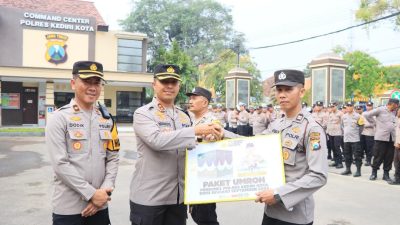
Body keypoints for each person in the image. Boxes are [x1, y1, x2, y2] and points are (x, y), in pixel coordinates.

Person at [129, 64, 223, 225]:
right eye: (165, 82)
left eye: (174, 82)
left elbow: (191, 146)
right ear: (154, 84)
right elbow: (156, 141)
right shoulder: (144, 113)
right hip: (150, 198)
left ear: (179, 86)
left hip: (177, 199)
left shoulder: (184, 116)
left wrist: (211, 139)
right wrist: (195, 131)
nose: (170, 86)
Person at [46, 61, 120, 225]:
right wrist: (92, 194)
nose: (93, 87)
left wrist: (104, 191)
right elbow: (60, 164)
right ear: (73, 83)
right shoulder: (59, 118)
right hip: (68, 209)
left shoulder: (107, 119)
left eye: (97, 82)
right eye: (87, 81)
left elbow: (113, 158)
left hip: (100, 206)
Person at [256, 69, 328, 225]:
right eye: (279, 90)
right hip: (271, 211)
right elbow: (253, 145)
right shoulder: (276, 124)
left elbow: (318, 176)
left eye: (288, 89)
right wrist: (223, 134)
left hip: (295, 216)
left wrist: (277, 194)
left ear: (301, 92)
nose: (282, 94)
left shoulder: (312, 129)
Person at [185, 86, 239, 225]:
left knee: (205, 218)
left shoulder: (211, 121)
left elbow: (214, 135)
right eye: (190, 98)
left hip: (205, 177)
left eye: (194, 98)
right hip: (192, 176)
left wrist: (211, 136)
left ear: (204, 103)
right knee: (197, 215)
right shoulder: (189, 120)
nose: (190, 101)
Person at [364, 98, 399, 181]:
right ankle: (374, 173)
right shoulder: (380, 110)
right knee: (378, 156)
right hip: (381, 138)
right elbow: (367, 115)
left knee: (389, 157)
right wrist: (374, 123)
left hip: (392, 138)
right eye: (396, 104)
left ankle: (386, 174)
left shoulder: (395, 111)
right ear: (392, 104)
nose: (397, 106)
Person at [340, 101, 364, 177]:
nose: (349, 107)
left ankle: (358, 171)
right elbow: (342, 126)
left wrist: (357, 134)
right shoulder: (343, 116)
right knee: (347, 155)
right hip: (346, 139)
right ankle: (348, 169)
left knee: (357, 156)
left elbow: (361, 126)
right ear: (346, 107)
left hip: (355, 139)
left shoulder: (358, 116)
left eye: (350, 106)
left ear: (353, 107)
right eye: (348, 106)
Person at [327, 102, 344, 169]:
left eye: (333, 106)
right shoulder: (330, 114)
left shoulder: (340, 113)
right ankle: (336, 161)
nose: (332, 108)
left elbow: (343, 122)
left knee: (337, 147)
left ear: (336, 106)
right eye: (331, 107)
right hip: (331, 133)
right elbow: (329, 123)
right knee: (333, 147)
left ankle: (340, 162)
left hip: (338, 133)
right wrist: (327, 132)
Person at [360, 102, 375, 166]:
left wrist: (366, 125)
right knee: (363, 146)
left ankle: (369, 160)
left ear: (372, 106)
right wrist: (363, 124)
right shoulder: (363, 113)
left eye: (370, 105)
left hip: (370, 133)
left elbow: (375, 123)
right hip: (363, 132)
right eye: (367, 105)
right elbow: (361, 121)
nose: (368, 107)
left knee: (369, 147)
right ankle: (365, 159)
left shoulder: (374, 113)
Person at [388, 109, 400, 185]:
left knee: (398, 162)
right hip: (396, 143)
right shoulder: (397, 119)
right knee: (396, 162)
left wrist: (398, 142)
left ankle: (397, 179)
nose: (398, 112)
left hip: (399, 144)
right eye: (398, 111)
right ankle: (397, 177)